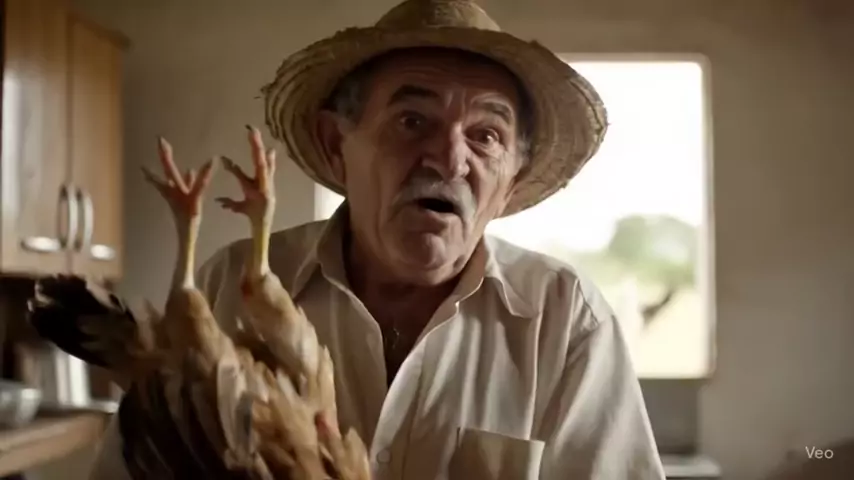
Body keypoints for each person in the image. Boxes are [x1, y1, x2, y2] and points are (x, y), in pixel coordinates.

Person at [90, 0, 666, 478]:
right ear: (337, 145)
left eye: (486, 135)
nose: (449, 158)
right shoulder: (231, 287)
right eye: (412, 121)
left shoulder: (564, 321)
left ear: (510, 182)